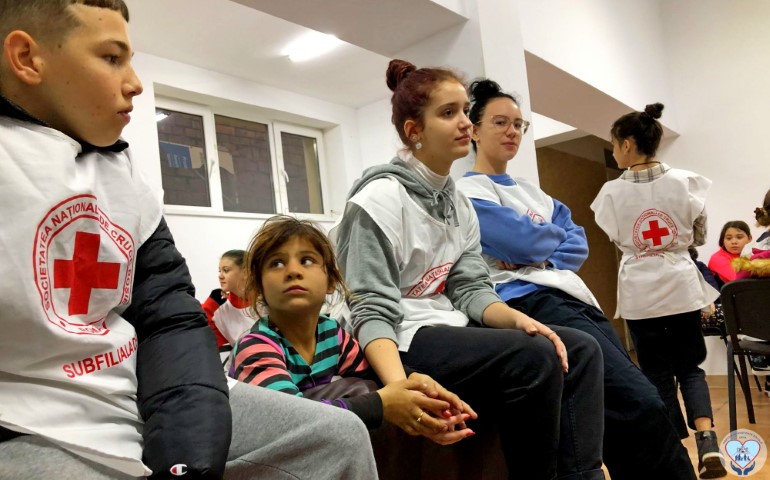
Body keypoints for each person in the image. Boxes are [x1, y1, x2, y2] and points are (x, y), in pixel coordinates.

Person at [0, 2, 377, 479]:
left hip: (140, 394)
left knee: (339, 437)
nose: (135, 83)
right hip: (30, 422)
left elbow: (169, 319)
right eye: (112, 58)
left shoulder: (124, 173)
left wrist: (184, 454)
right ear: (27, 58)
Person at [331, 59, 606, 480]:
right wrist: (398, 388)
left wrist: (520, 320)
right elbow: (370, 307)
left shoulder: (458, 203)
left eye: (464, 110)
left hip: (446, 322)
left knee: (582, 348)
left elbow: (470, 287)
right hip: (400, 335)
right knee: (533, 358)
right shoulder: (378, 200)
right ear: (414, 131)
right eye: (448, 113)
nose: (464, 122)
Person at [455, 78, 697, 480]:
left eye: (518, 124)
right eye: (500, 122)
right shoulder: (467, 192)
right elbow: (522, 239)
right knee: (638, 402)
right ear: (475, 130)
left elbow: (576, 243)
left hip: (574, 300)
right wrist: (540, 241)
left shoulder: (533, 193)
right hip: (526, 302)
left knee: (627, 407)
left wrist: (537, 250)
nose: (512, 131)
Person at [231, 215, 474, 442]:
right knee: (368, 397)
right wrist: (381, 406)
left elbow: (372, 372)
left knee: (382, 389)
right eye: (276, 263)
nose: (293, 271)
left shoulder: (330, 333)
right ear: (260, 288)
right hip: (254, 447)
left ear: (331, 281)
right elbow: (292, 420)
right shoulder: (256, 346)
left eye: (307, 260)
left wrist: (416, 381)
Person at [590, 103, 726, 479]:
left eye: (614, 144)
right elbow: (699, 236)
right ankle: (708, 442)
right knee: (690, 368)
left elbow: (617, 238)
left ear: (628, 144)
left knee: (656, 374)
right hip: (682, 287)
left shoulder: (610, 194)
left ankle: (672, 449)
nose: (614, 151)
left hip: (641, 294)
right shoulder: (687, 182)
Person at [202, 249, 256, 347]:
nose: (220, 276)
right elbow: (199, 336)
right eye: (220, 271)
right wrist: (210, 306)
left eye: (226, 270)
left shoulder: (269, 298)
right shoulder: (219, 311)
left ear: (246, 272)